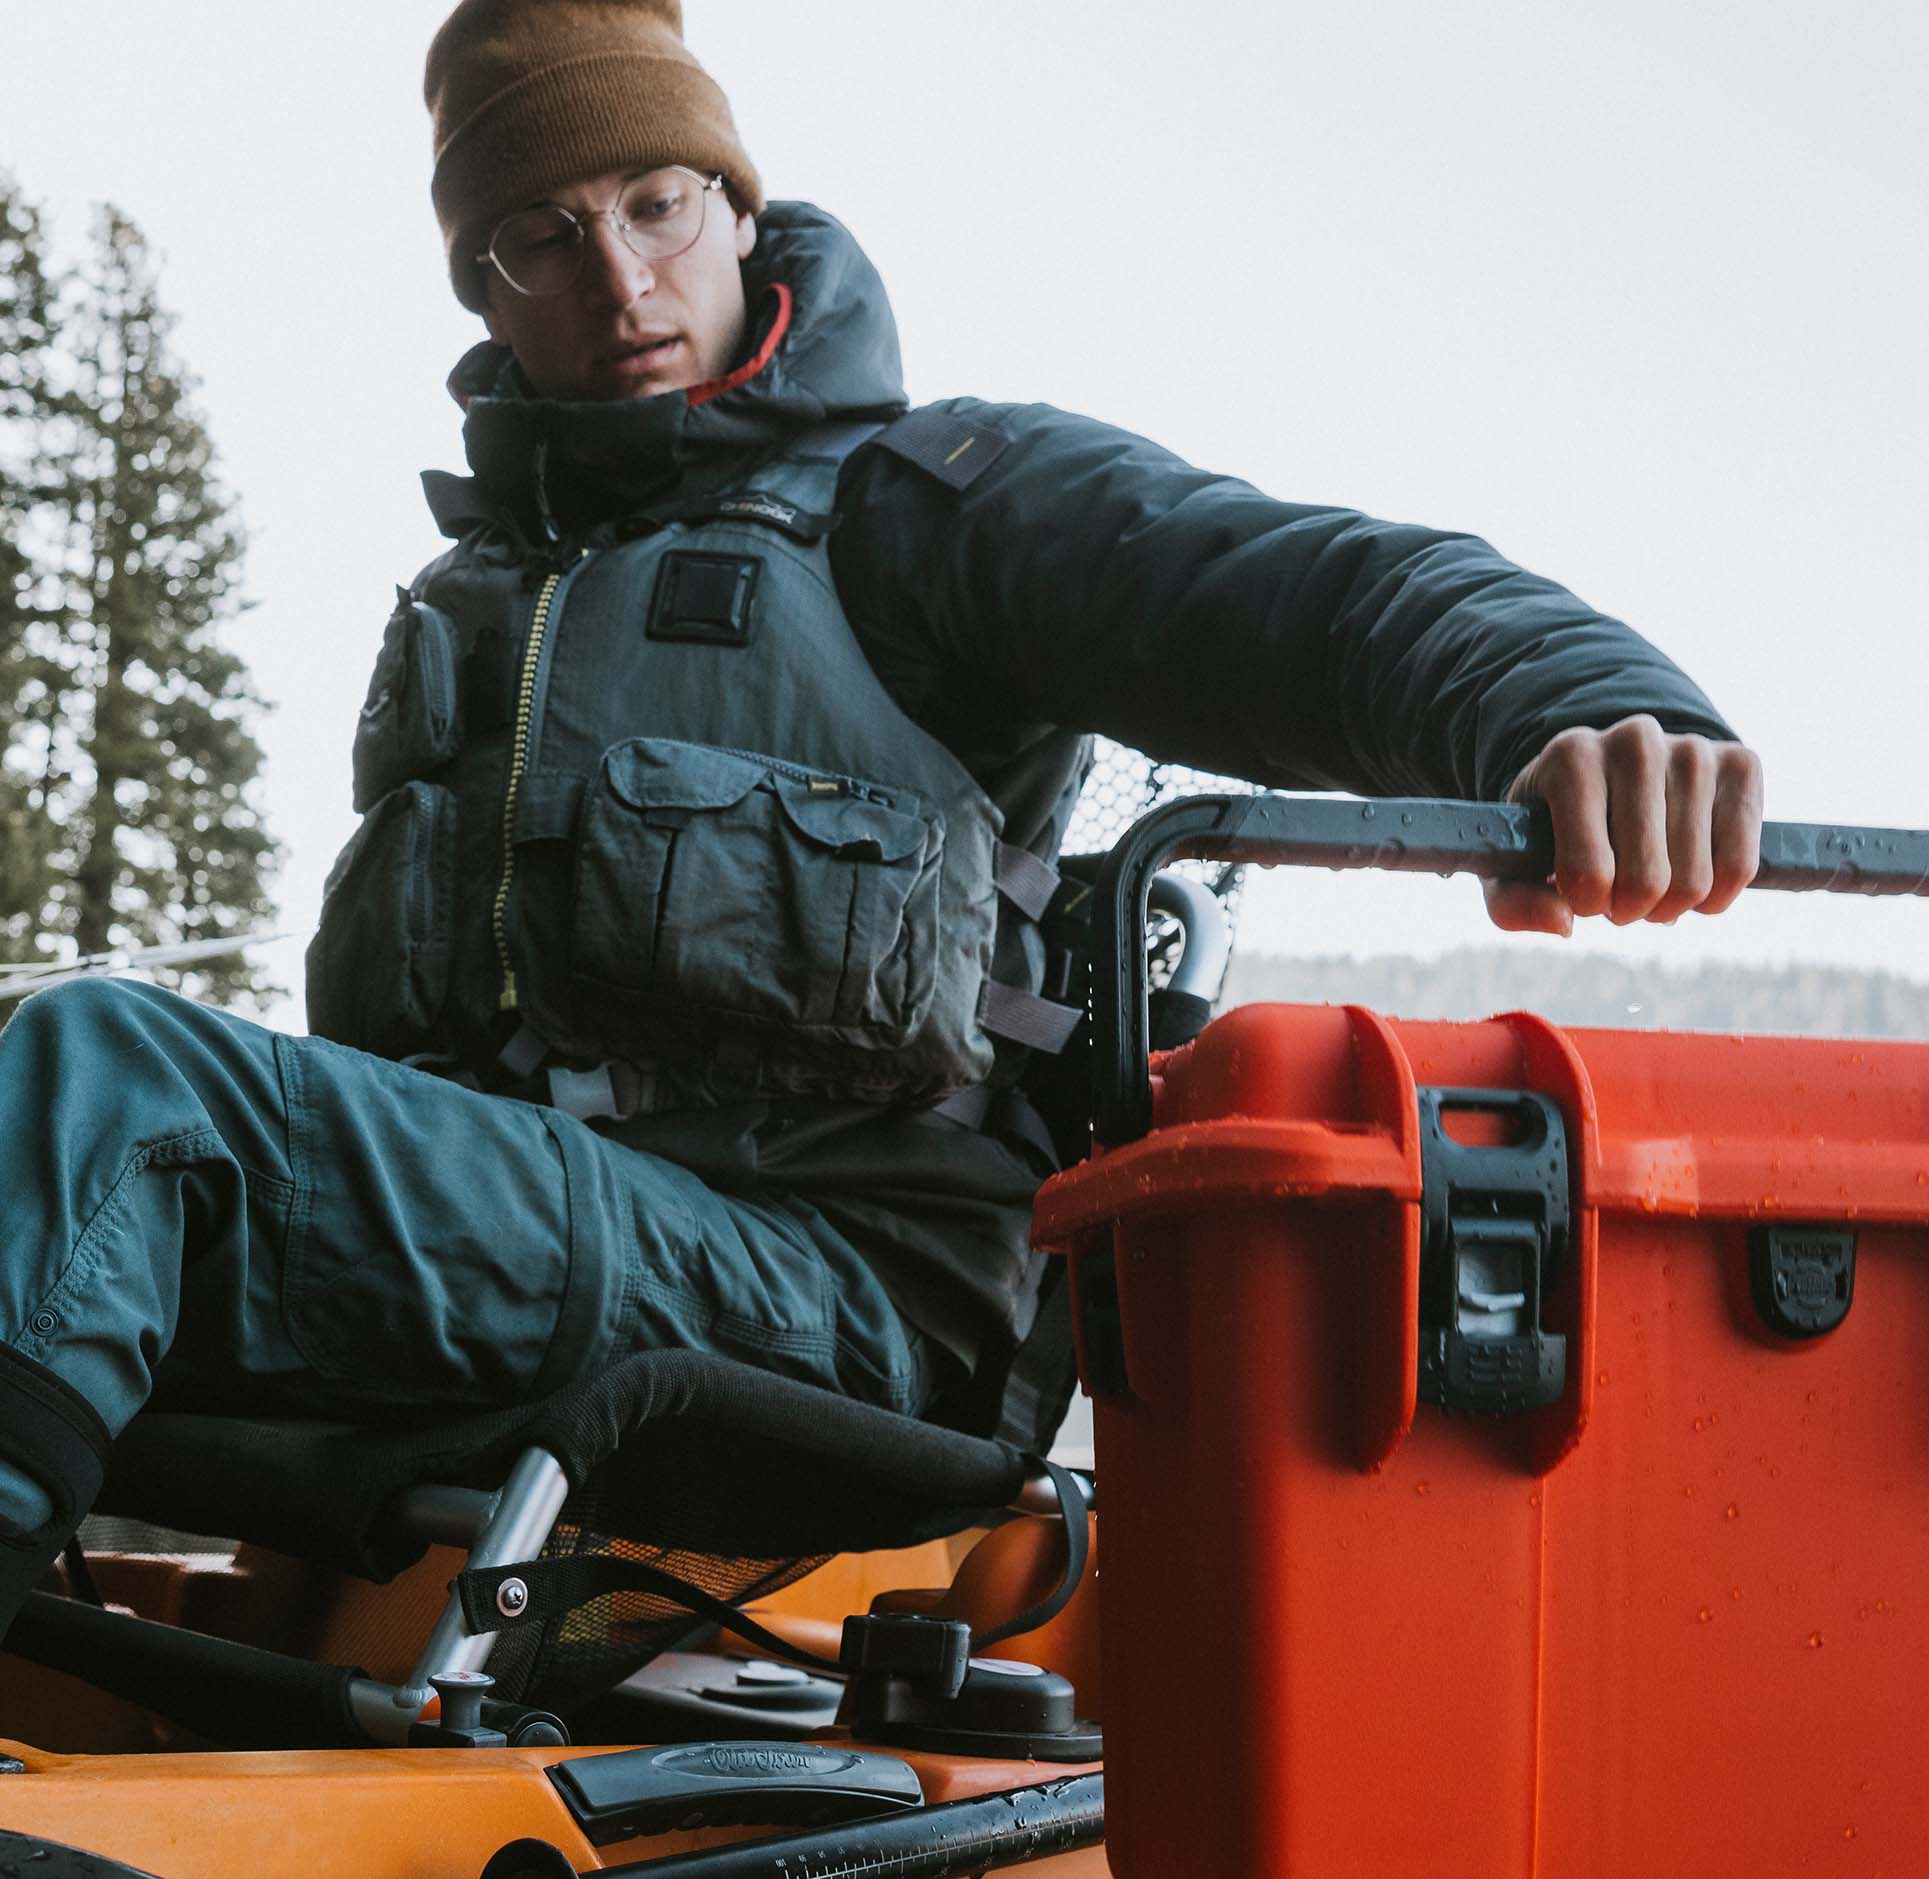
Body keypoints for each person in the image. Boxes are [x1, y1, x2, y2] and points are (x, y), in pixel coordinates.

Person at [0, 0, 1761, 1644]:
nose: (620, 275)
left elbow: (1327, 594)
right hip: (537, 1265)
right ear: (482, 288)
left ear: (735, 208)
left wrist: (1593, 708)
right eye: (545, 237)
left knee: (112, 1083)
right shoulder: (479, 606)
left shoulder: (924, 512)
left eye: (659, 205)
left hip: (845, 1299)